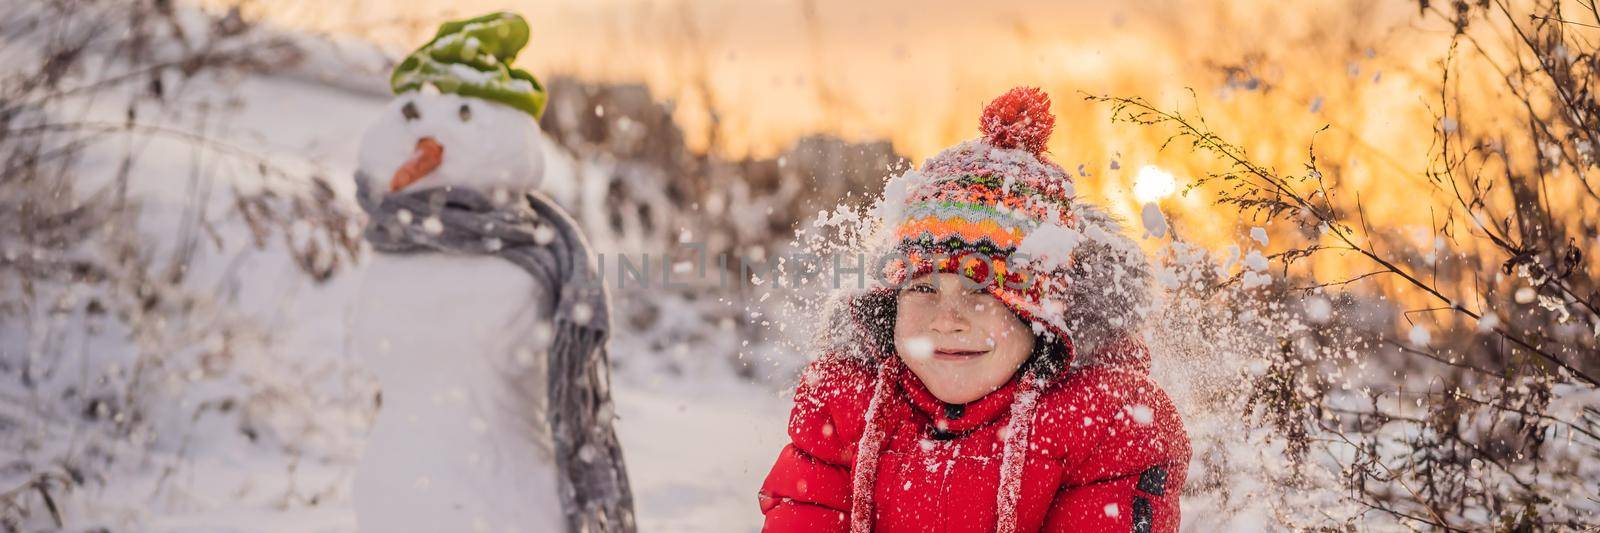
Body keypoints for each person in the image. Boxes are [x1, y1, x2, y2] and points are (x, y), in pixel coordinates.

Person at [758, 87, 1189, 533]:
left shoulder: (1104, 423)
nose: (946, 319)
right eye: (923, 288)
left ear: (1040, 317)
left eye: (981, 292)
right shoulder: (848, 407)